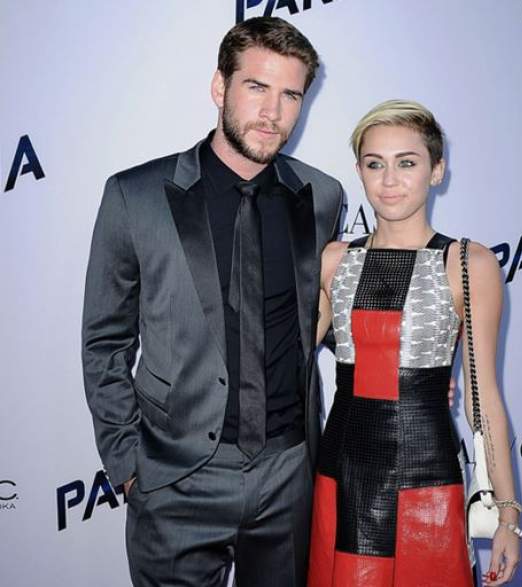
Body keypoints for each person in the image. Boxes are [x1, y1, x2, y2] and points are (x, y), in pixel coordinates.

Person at [82, 16, 343, 587]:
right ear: (220, 87)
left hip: (287, 474)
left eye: (290, 95)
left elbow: (327, 313)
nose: (272, 112)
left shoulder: (321, 196)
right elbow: (104, 341)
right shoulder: (135, 197)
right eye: (257, 87)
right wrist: (128, 464)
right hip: (176, 479)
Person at [308, 100, 522, 587]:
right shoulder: (333, 261)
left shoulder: (467, 263)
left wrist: (507, 514)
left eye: (406, 163)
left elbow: (484, 398)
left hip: (428, 473)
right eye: (374, 164)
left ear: (437, 170)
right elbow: (287, 357)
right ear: (359, 172)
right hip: (342, 469)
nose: (389, 180)